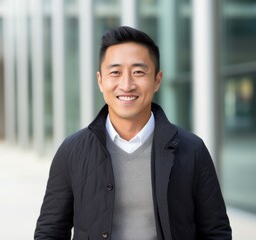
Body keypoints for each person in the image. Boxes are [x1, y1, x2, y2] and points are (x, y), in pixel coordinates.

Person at [34, 26, 232, 240]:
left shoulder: (192, 150)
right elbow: (50, 232)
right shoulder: (72, 151)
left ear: (157, 80)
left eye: (138, 72)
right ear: (100, 81)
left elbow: (216, 232)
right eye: (115, 72)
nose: (127, 84)